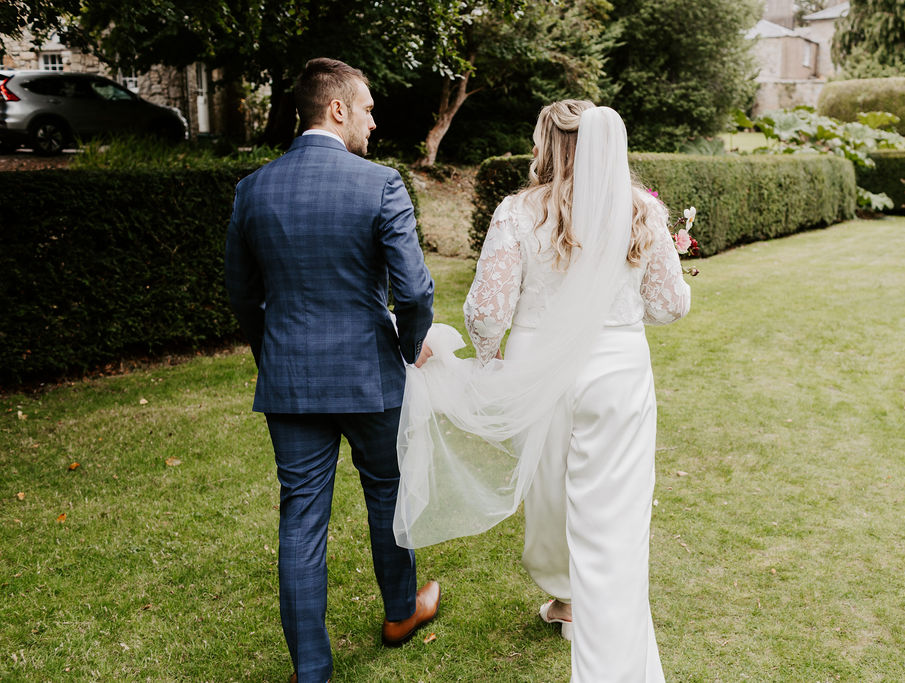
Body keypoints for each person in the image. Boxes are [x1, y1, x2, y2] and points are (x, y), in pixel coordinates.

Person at [394, 100, 690, 681]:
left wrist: (493, 362)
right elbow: (668, 305)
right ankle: (589, 619)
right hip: (617, 374)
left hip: (542, 374)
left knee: (550, 496)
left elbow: (485, 309)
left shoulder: (517, 212)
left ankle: (570, 601)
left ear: (549, 145)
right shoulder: (639, 212)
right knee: (615, 522)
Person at [224, 57, 438, 682]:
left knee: (301, 518)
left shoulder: (252, 188)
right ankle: (400, 613)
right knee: (386, 494)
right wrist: (406, 348)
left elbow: (242, 294)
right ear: (337, 109)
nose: (373, 123)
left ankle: (311, 670)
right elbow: (416, 292)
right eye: (368, 109)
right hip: (371, 376)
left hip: (290, 379)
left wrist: (274, 358)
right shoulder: (381, 184)